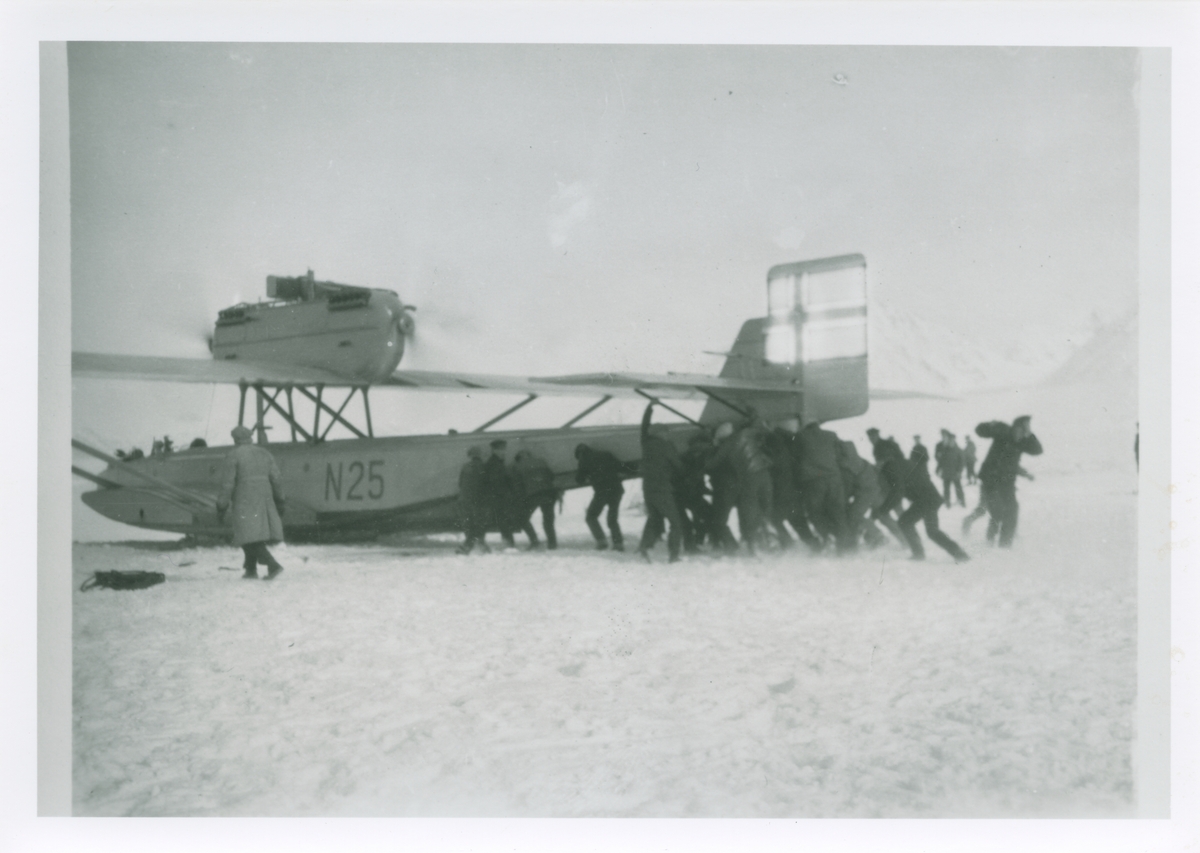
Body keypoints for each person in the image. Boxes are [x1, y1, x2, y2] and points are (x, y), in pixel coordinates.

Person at [879, 441, 969, 563]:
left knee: (906, 522)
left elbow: (897, 491)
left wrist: (883, 510)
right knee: (931, 530)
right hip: (931, 498)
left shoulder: (891, 467)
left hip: (925, 500)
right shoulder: (902, 463)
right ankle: (958, 553)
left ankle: (919, 554)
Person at [216, 425, 286, 580]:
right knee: (252, 533)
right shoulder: (264, 453)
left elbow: (227, 483)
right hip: (264, 496)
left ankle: (272, 565)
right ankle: (250, 569)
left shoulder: (234, 455)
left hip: (244, 497)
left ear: (236, 438)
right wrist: (280, 499)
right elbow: (277, 478)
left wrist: (222, 504)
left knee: (247, 533)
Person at [973, 416, 1043, 547]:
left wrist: (1030, 433)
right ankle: (990, 539)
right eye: (1021, 430)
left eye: (1024, 432)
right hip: (990, 480)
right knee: (998, 511)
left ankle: (1005, 544)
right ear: (1015, 427)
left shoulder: (1022, 442)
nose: (1021, 435)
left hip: (1007, 482)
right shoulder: (1003, 431)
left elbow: (1038, 450)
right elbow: (979, 431)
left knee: (1012, 509)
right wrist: (990, 425)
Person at [637, 402, 686, 562]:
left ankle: (646, 548)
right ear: (661, 433)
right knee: (676, 523)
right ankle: (674, 555)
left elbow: (644, 428)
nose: (668, 434)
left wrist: (648, 409)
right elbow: (679, 467)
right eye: (666, 432)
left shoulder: (646, 443)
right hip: (662, 489)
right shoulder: (666, 446)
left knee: (655, 518)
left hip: (648, 489)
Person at [797, 419, 852, 552]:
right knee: (838, 512)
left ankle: (827, 536)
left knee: (815, 512)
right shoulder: (831, 435)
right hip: (834, 479)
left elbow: (796, 456)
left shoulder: (801, 436)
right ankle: (843, 546)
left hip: (815, 480)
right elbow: (842, 454)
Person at [575, 442, 626, 551]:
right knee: (612, 518)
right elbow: (621, 467)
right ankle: (618, 544)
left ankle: (601, 541)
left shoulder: (583, 460)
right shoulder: (606, 454)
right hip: (616, 489)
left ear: (579, 454)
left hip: (602, 492)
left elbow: (579, 480)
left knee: (591, 516)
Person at [512, 448, 559, 549]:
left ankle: (534, 541)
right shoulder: (541, 461)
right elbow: (551, 476)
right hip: (550, 493)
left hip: (534, 495)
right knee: (548, 520)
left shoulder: (517, 466)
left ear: (519, 458)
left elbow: (518, 486)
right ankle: (552, 543)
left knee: (522, 518)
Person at [676, 433, 715, 551]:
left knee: (705, 515)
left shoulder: (697, 458)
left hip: (691, 493)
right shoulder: (687, 458)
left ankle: (697, 542)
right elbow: (689, 478)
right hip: (684, 494)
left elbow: (698, 479)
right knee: (688, 522)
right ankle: (692, 545)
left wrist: (705, 490)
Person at [483, 439, 522, 548]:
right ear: (494, 450)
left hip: (500, 497)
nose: (503, 451)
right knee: (501, 520)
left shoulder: (498, 462)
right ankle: (508, 544)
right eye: (500, 449)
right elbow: (495, 481)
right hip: (498, 497)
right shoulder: (493, 463)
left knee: (502, 520)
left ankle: (508, 543)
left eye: (504, 449)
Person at [456, 446, 490, 554]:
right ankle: (480, 547)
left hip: (464, 499)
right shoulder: (484, 467)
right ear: (480, 455)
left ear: (470, 455)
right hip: (478, 500)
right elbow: (487, 484)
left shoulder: (465, 466)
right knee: (479, 523)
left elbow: (460, 483)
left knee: (468, 524)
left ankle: (470, 547)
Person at [934, 430, 966, 507]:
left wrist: (959, 471)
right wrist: (937, 469)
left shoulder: (958, 450)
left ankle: (962, 502)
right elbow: (941, 461)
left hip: (955, 473)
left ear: (954, 440)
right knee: (946, 489)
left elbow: (962, 462)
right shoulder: (945, 450)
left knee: (958, 488)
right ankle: (947, 502)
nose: (951, 441)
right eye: (950, 440)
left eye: (952, 440)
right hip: (946, 473)